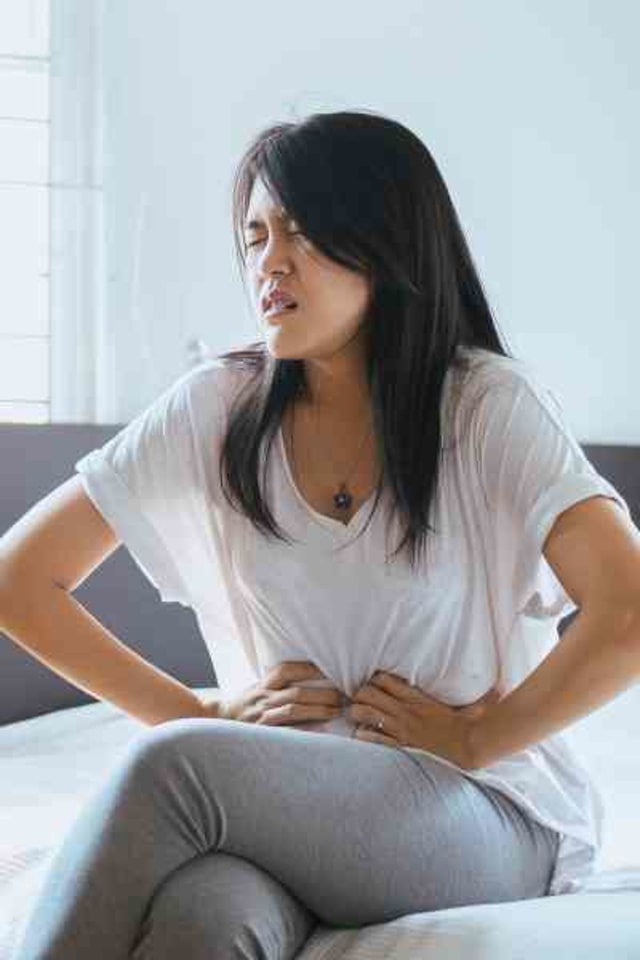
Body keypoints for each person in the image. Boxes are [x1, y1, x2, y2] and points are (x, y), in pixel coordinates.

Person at [3, 109, 639, 960]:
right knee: (203, 921)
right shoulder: (214, 407)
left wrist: (481, 735)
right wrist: (191, 707)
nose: (269, 261)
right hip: (280, 811)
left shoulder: (487, 406)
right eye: (256, 236)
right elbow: (18, 582)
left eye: (300, 232)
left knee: (174, 768)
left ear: (386, 243)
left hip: (476, 803)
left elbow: (627, 611)